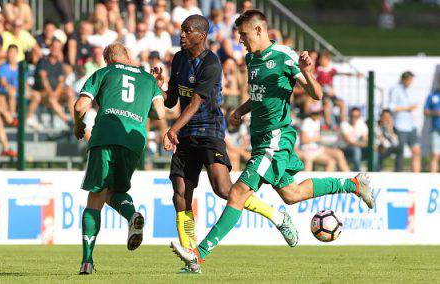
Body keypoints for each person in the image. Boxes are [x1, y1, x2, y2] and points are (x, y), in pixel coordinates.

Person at [169, 10, 375, 272]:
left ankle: (198, 255)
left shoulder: (285, 57)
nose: (241, 40)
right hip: (260, 138)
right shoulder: (252, 59)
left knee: (237, 193)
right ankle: (353, 184)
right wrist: (241, 111)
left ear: (258, 30)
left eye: (243, 35)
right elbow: (261, 96)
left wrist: (307, 73)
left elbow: (317, 94)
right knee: (292, 194)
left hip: (276, 139)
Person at [154, 14, 293, 273]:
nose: (181, 35)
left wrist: (172, 128)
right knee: (180, 194)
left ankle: (276, 215)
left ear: (201, 35)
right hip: (185, 134)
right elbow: (172, 100)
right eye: (181, 31)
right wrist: (158, 86)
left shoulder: (212, 63)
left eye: (187, 31)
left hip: (209, 132)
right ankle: (192, 257)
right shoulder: (179, 59)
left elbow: (196, 102)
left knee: (223, 188)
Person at [73, 42, 166, 274]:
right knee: (114, 191)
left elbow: (80, 105)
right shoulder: (147, 79)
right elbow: (160, 113)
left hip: (105, 135)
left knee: (96, 196)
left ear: (107, 60)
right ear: (129, 57)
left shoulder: (104, 73)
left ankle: (87, 261)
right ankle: (132, 215)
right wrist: (156, 86)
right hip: (134, 142)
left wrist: (78, 125)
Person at [388, 71, 421, 172]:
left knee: (416, 151)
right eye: (410, 80)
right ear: (404, 79)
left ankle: (416, 176)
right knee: (400, 152)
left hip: (411, 126)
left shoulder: (410, 91)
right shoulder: (396, 90)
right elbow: (392, 107)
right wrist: (407, 108)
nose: (411, 82)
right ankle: (399, 174)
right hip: (400, 125)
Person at [340, 107, 368, 171]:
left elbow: (365, 138)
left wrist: (364, 143)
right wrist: (363, 144)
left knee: (373, 150)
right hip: (344, 148)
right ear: (349, 115)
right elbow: (349, 141)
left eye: (357, 116)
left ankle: (375, 171)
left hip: (359, 147)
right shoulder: (344, 124)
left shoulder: (361, 124)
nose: (354, 118)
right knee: (356, 150)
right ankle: (357, 172)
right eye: (352, 116)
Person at [424, 79, 440, 172]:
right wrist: (435, 112)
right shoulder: (432, 96)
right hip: (436, 130)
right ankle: (433, 180)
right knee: (435, 155)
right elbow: (425, 111)